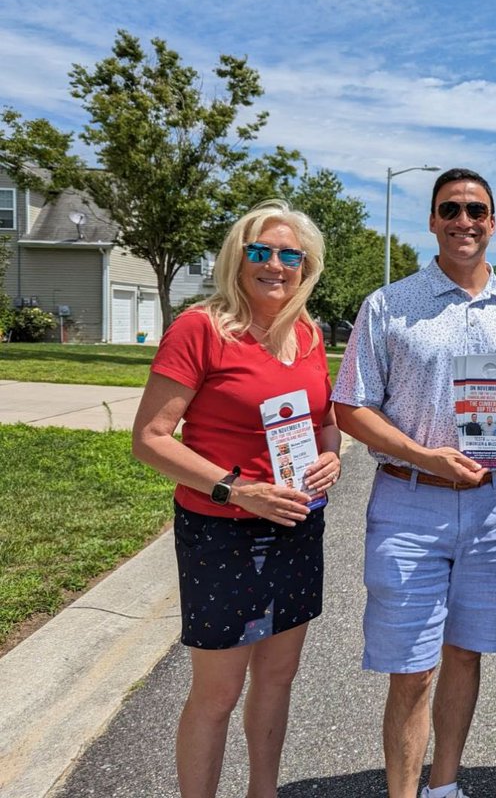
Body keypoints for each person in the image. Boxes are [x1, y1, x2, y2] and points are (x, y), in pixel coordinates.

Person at [332, 168, 496, 798]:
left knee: (466, 652)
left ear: (493, 222)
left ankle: (445, 785)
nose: (465, 220)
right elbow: (349, 406)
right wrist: (423, 456)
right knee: (412, 668)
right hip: (412, 500)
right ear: (432, 220)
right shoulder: (388, 306)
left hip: (493, 505)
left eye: (476, 210)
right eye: (451, 209)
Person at [131, 199, 341, 798]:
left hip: (297, 524)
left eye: (289, 255)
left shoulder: (307, 334)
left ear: (306, 266)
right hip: (220, 531)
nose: (275, 265)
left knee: (278, 678)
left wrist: (330, 456)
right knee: (218, 692)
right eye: (260, 251)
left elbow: (324, 422)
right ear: (238, 258)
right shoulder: (202, 327)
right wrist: (236, 489)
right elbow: (149, 439)